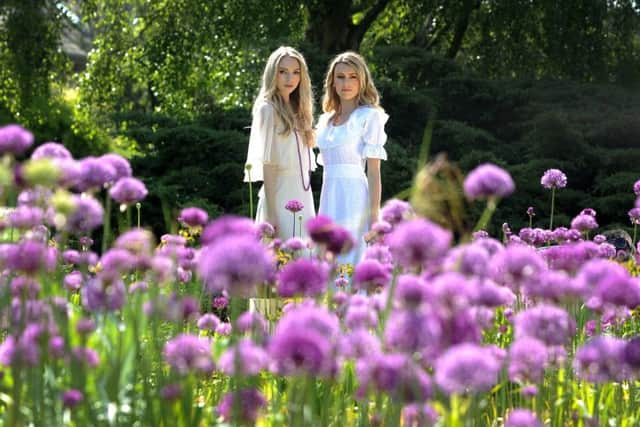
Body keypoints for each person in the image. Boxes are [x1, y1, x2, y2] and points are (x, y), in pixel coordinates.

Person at [316, 51, 388, 267]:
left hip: (355, 198)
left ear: (362, 80)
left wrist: (375, 218)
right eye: (340, 76)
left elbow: (374, 172)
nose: (346, 82)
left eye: (352, 76)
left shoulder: (369, 116)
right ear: (332, 81)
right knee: (328, 259)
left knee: (352, 259)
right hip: (329, 197)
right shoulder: (325, 120)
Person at [244, 46, 316, 240]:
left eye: (295, 72)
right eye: (282, 72)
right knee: (280, 257)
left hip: (302, 193)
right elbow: (268, 164)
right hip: (279, 193)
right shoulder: (267, 109)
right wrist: (272, 213)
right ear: (272, 74)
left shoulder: (300, 110)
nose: (289, 78)